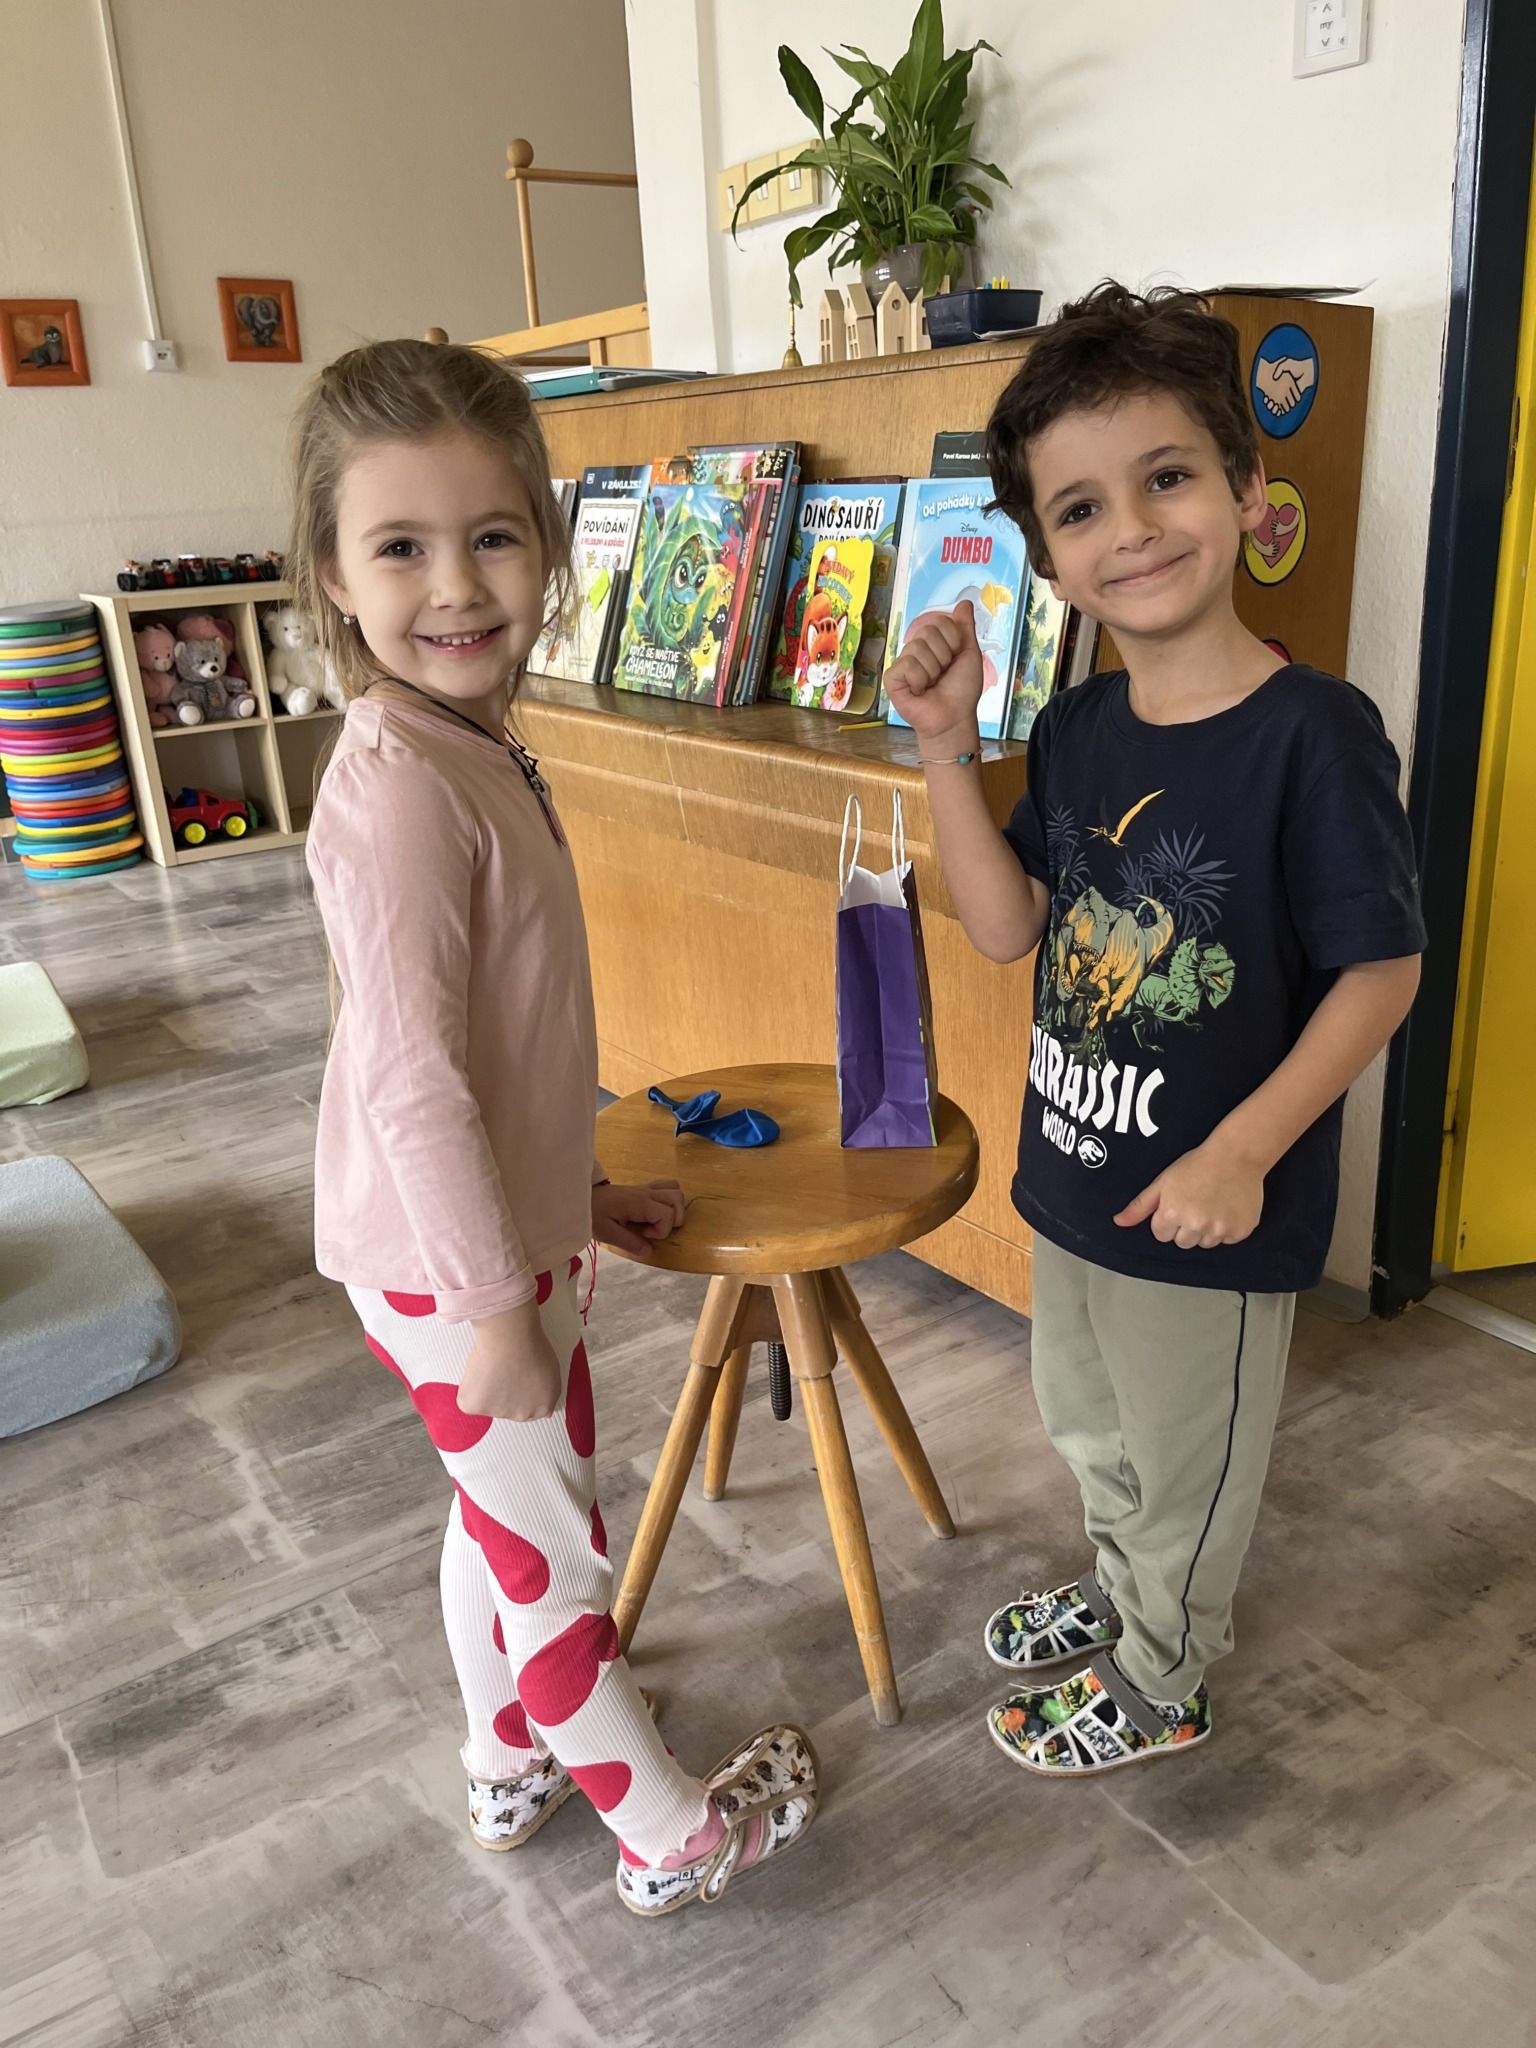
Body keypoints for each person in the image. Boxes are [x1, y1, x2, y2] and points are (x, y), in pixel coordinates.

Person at [294, 338, 817, 1909]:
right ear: (333, 575)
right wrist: (494, 1308)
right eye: (401, 547)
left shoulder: (465, 746)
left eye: (493, 537)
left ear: (550, 544)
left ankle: (506, 1760)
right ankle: (670, 1838)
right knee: (557, 1566)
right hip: (456, 1272)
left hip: (491, 1245)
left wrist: (575, 1192)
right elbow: (415, 1081)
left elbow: (506, 1041)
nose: (457, 585)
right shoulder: (400, 784)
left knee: (497, 1521)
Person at [884, 283, 1425, 1776]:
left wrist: (1244, 1153)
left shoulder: (1315, 735)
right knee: (1093, 1427)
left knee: (1189, 1463)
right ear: (1048, 556)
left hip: (1210, 1215)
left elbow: (1381, 972)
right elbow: (1007, 926)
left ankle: (1162, 1669)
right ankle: (1127, 1591)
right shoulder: (1074, 730)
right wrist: (949, 747)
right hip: (1075, 1178)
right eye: (1079, 509)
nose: (1129, 530)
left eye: (1167, 477)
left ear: (1248, 491)